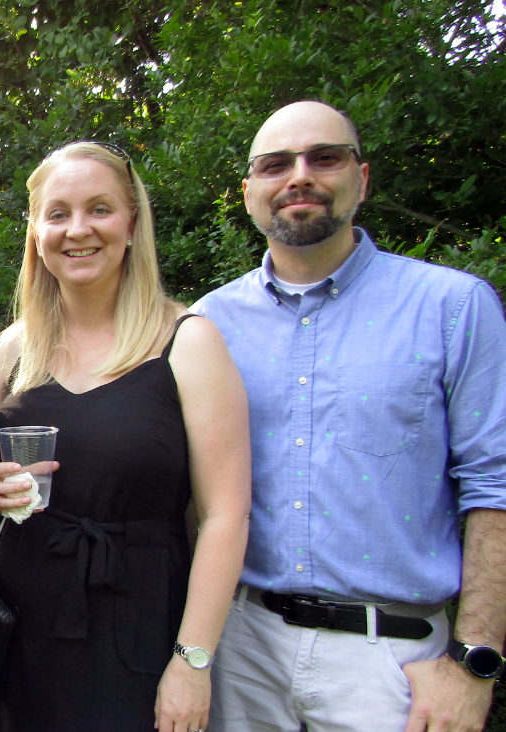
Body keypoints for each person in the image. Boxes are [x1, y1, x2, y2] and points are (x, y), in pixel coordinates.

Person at [192, 101, 506, 731]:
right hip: (241, 649)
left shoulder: (452, 306)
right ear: (249, 192)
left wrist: (473, 664)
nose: (299, 176)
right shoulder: (209, 323)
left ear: (361, 179)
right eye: (276, 164)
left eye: (324, 158)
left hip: (393, 662)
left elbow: (494, 489)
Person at [0, 141, 251, 732]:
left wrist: (192, 661)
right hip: (16, 628)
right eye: (58, 213)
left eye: (100, 208)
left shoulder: (188, 343)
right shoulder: (15, 349)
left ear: (132, 222)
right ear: (37, 232)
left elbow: (227, 515)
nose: (78, 229)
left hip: (136, 633)